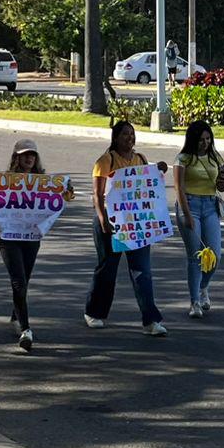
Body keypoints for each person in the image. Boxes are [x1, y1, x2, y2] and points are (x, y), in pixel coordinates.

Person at [0, 140, 74, 352]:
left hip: (31, 237)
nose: (29, 158)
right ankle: (26, 329)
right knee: (18, 281)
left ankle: (15, 315)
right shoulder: (4, 181)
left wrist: (66, 193)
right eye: (24, 154)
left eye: (32, 155)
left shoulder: (44, 182)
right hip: (9, 237)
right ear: (16, 157)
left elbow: (56, 203)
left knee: (24, 280)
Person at [84, 120, 167, 336]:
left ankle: (151, 321)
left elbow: (148, 184)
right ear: (115, 138)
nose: (130, 138)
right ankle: (95, 312)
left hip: (136, 225)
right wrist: (102, 219)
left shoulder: (140, 159)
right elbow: (97, 194)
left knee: (142, 272)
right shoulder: (106, 160)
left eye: (132, 134)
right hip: (112, 224)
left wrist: (158, 170)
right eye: (125, 134)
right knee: (107, 270)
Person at [174, 120, 224, 319]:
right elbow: (179, 188)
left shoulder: (216, 158)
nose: (205, 143)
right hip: (189, 205)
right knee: (195, 256)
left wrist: (223, 181)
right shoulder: (183, 159)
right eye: (201, 140)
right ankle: (194, 301)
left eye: (208, 139)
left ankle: (203, 286)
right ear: (192, 140)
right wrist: (187, 215)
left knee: (215, 254)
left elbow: (222, 187)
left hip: (210, 206)